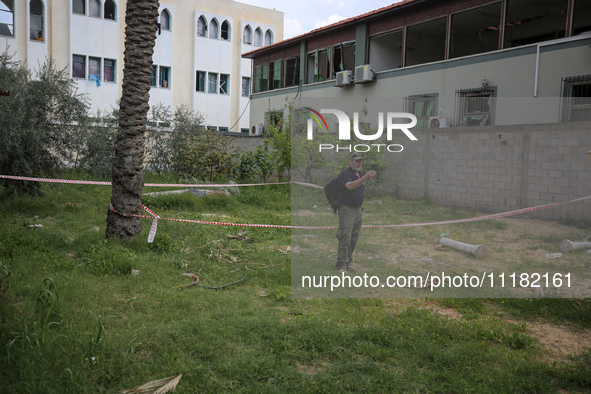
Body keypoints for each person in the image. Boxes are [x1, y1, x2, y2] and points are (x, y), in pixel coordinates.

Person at [335, 152, 376, 274]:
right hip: (347, 210)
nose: (359, 163)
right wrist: (365, 178)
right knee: (345, 237)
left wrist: (361, 207)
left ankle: (348, 262)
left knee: (354, 238)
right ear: (350, 161)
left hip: (358, 210)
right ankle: (341, 265)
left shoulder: (360, 174)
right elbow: (349, 186)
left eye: (361, 161)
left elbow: (360, 191)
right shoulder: (345, 174)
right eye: (357, 160)